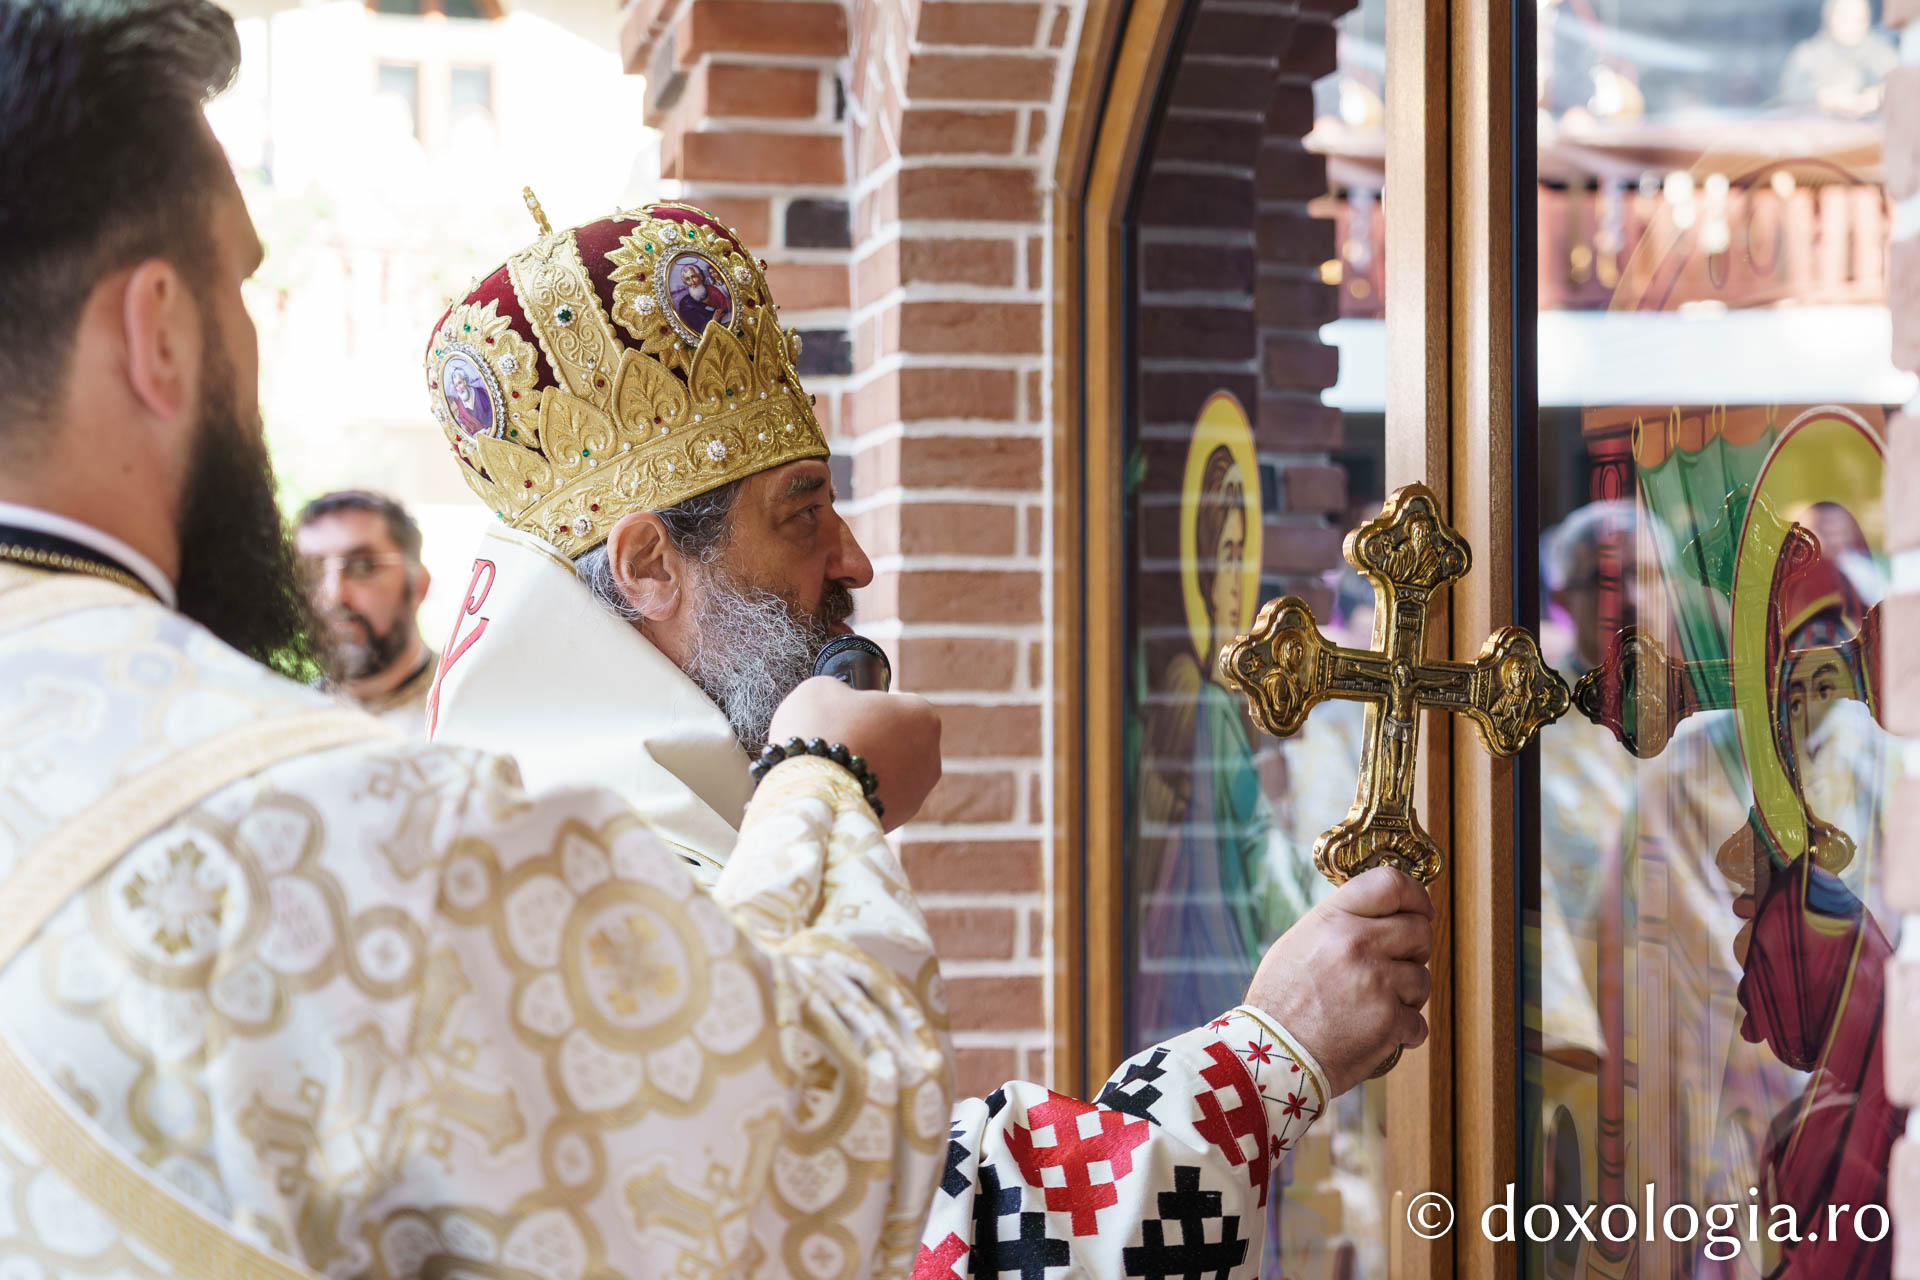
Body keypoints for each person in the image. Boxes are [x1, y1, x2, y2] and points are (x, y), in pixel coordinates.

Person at [420, 201, 1435, 1273]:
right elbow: (891, 1226)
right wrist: (1273, 1053)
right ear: (646, 565)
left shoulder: (555, 819)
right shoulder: (589, 880)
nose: (853, 561)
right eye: (803, 510)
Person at [294, 489, 439, 733]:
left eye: (362, 567)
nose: (333, 596)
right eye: (310, 571)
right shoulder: (285, 719)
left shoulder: (469, 709)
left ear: (418, 585)